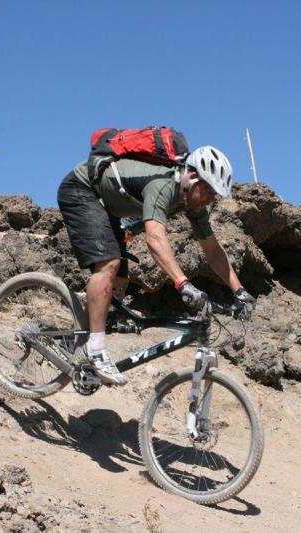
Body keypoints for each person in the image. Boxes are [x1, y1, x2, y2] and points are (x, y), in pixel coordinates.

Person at [57, 145, 256, 385]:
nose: (211, 199)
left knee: (119, 281)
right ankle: (95, 349)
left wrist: (239, 291)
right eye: (209, 191)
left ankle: (74, 340)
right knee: (109, 265)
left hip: (107, 208)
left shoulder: (192, 203)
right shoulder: (163, 184)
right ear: (193, 177)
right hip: (81, 189)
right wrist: (183, 283)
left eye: (215, 195)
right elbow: (154, 239)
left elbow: (213, 250)